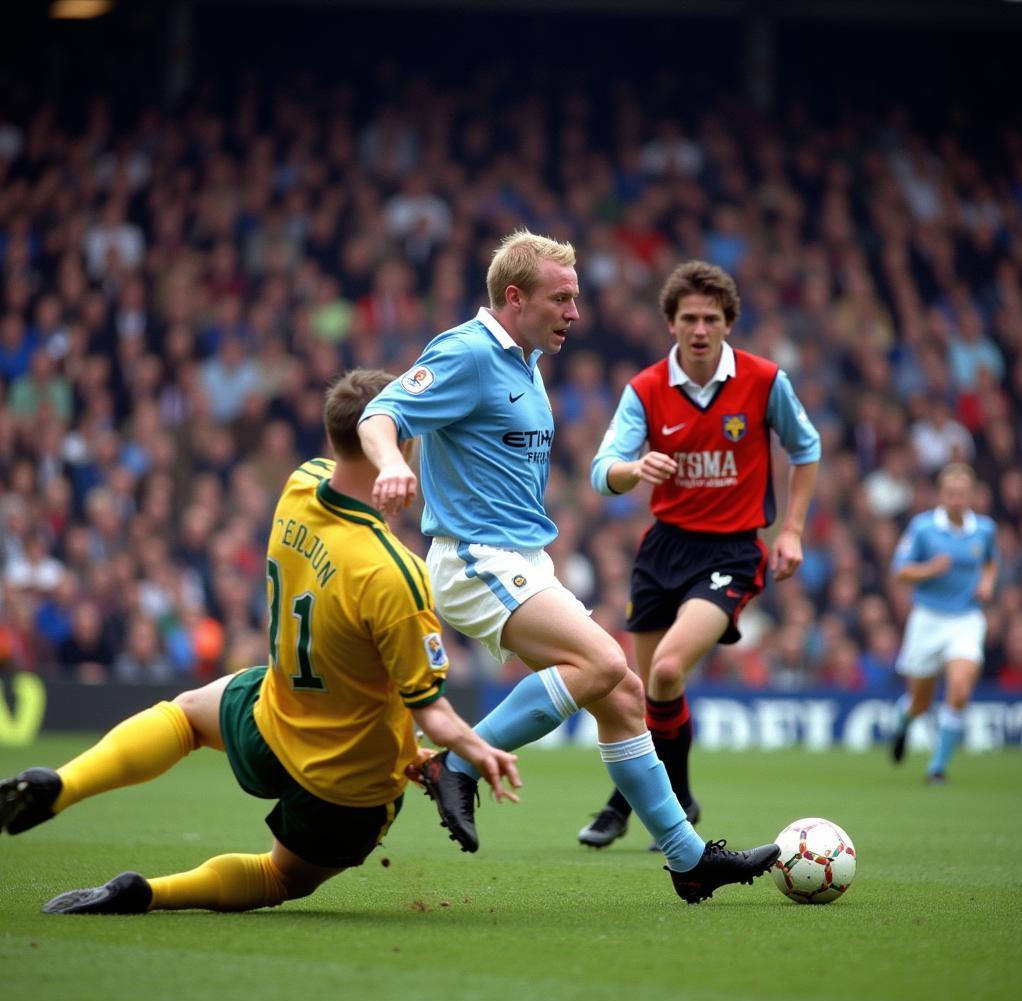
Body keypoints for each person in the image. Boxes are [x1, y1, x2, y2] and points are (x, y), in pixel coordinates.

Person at [357, 230, 779, 904]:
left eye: (576, 299)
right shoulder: (465, 352)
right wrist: (387, 465)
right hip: (476, 558)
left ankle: (688, 860)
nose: (575, 313)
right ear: (516, 297)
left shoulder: (525, 358)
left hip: (524, 559)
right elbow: (382, 412)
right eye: (562, 299)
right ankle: (455, 764)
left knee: (623, 698)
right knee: (607, 664)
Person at [0, 369, 520, 914]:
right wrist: (477, 751)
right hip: (345, 785)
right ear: (397, 441)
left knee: (182, 717)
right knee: (280, 879)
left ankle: (62, 785)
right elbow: (431, 712)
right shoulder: (397, 577)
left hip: (270, 721)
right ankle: (148, 893)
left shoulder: (299, 486)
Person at [576, 259, 820, 849]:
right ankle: (672, 798)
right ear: (671, 323)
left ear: (729, 323)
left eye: (712, 318)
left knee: (664, 671)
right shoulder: (647, 388)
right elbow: (600, 470)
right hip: (663, 548)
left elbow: (805, 450)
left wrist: (791, 531)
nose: (701, 329)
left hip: (732, 551)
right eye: (689, 317)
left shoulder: (764, 381)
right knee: (643, 694)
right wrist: (634, 469)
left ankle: (639, 804)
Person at [889, 462, 997, 782]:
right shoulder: (923, 528)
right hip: (928, 619)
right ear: (941, 495)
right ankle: (904, 723)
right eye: (951, 493)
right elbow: (901, 570)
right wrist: (930, 569)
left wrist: (988, 583)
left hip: (965, 618)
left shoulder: (985, 530)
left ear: (972, 495)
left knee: (960, 689)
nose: (956, 499)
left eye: (962, 493)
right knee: (921, 701)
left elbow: (990, 562)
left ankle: (937, 767)